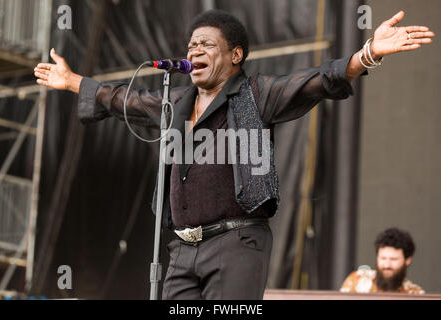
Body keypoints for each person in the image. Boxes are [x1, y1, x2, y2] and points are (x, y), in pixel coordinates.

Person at [34, 10, 433, 299]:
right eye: (191, 44)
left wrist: (367, 54)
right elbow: (125, 99)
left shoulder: (257, 94)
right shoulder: (175, 100)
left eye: (206, 44)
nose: (195, 49)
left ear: (235, 55)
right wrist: (73, 82)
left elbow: (316, 81)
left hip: (236, 241)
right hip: (182, 248)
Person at [340, 228, 424, 294]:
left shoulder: (414, 293)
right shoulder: (356, 280)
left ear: (407, 260)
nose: (387, 265)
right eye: (383, 258)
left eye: (393, 259)